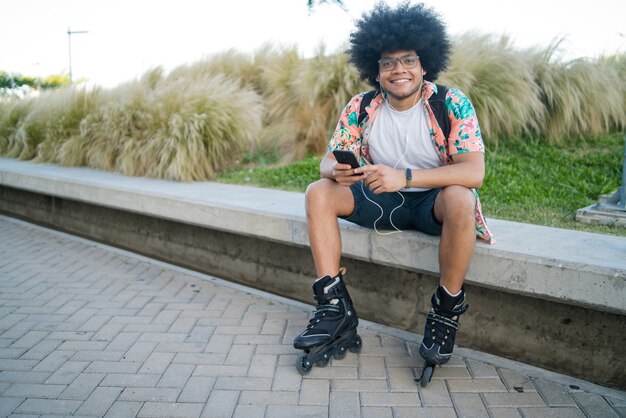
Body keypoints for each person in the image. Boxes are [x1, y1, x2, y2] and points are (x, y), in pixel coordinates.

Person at [292, 2, 495, 381]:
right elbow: (324, 162)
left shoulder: (450, 102)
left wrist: (405, 177)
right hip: (376, 197)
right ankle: (333, 306)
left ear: (424, 65)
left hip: (429, 203)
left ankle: (446, 310)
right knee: (318, 190)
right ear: (376, 70)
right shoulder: (362, 105)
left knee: (461, 197)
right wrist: (335, 170)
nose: (398, 69)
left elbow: (474, 171)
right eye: (388, 63)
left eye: (408, 60)